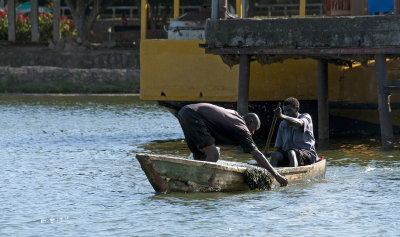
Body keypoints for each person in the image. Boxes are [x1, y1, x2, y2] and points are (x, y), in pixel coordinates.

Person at [177, 103, 288, 187]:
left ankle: (189, 181)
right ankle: (202, 185)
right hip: (193, 115)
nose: (252, 134)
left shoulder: (234, 116)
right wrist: (276, 175)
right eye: (253, 130)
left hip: (184, 112)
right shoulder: (242, 127)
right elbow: (257, 154)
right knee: (214, 154)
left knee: (200, 155)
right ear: (249, 122)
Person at [270, 97, 318, 167]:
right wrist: (269, 154)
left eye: (289, 110)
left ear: (297, 109)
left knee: (292, 152)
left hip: (307, 155)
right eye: (285, 111)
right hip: (289, 154)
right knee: (275, 154)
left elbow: (299, 123)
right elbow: (279, 148)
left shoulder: (305, 117)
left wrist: (281, 116)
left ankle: (293, 173)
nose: (287, 113)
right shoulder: (283, 124)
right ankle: (270, 174)